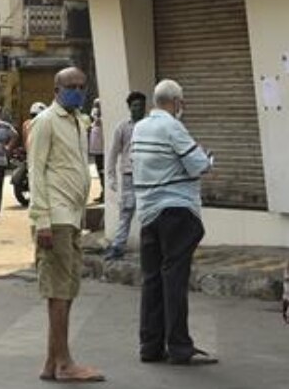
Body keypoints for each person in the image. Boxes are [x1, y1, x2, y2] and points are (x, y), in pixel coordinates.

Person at [131, 80, 217, 365]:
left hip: (147, 213)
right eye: (182, 102)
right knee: (174, 280)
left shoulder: (140, 127)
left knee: (152, 280)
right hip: (176, 213)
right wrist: (208, 159)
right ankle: (180, 346)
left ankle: (150, 346)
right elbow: (198, 165)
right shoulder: (172, 127)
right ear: (176, 102)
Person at [28, 67, 104, 382]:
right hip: (54, 219)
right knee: (59, 292)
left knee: (67, 290)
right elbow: (35, 172)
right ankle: (65, 363)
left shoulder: (78, 121)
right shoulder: (46, 122)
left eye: (82, 86)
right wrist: (42, 221)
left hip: (72, 217)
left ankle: (51, 363)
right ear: (56, 89)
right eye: (70, 86)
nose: (77, 90)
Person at [104, 91, 147, 261]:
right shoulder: (123, 128)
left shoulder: (150, 126)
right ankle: (118, 247)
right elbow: (113, 153)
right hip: (129, 175)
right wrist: (111, 177)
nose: (139, 109)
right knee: (126, 211)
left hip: (147, 176)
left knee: (148, 213)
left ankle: (149, 248)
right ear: (129, 108)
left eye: (141, 106)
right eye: (135, 106)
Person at [89, 99, 105, 203]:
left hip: (102, 150)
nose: (96, 108)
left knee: (103, 172)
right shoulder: (94, 120)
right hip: (96, 150)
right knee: (99, 172)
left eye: (98, 105)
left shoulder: (103, 119)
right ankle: (103, 192)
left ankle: (105, 193)